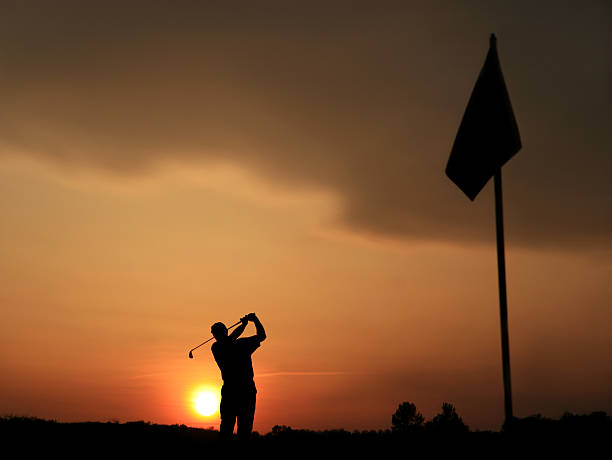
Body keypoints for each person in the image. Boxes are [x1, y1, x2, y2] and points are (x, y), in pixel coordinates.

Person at [211, 312, 266, 440]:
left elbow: (262, 336)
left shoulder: (235, 344)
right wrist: (249, 322)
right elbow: (230, 340)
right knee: (229, 429)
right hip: (241, 391)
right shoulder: (217, 347)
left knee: (241, 430)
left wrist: (251, 322)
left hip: (239, 391)